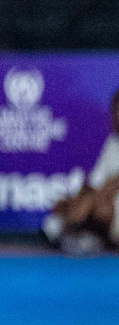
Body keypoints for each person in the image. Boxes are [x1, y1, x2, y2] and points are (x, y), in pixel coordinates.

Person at [46, 88, 119, 253]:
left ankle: (78, 232)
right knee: (78, 201)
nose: (116, 117)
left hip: (112, 204)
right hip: (102, 200)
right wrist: (78, 199)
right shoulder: (113, 143)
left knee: (102, 207)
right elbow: (96, 181)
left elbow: (114, 183)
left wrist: (96, 197)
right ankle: (76, 233)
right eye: (115, 112)